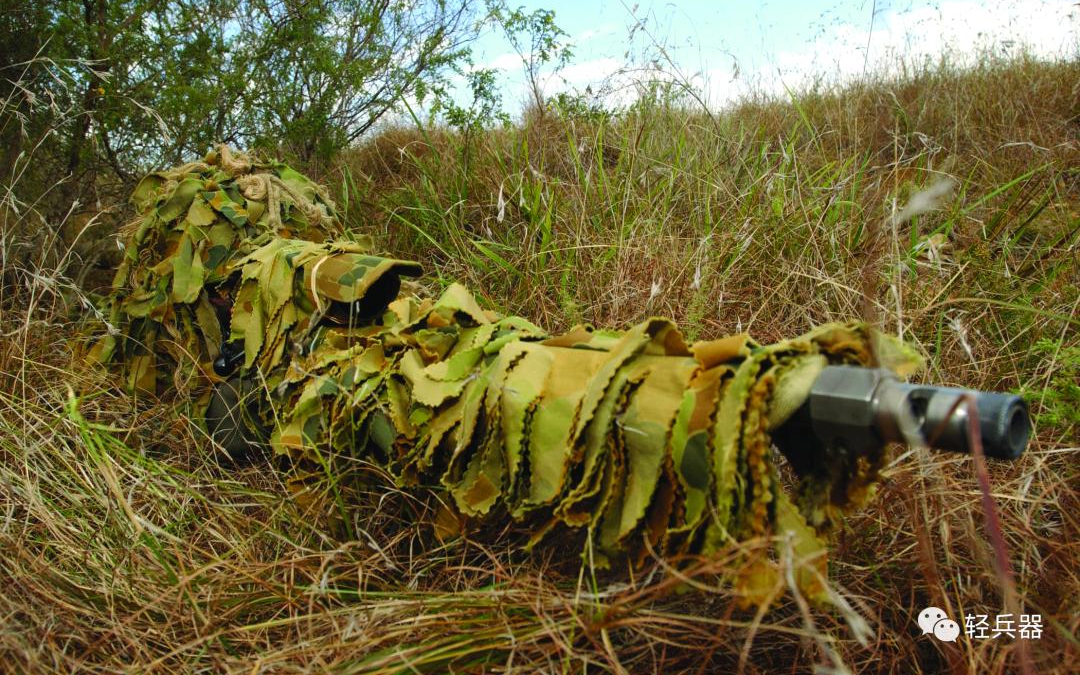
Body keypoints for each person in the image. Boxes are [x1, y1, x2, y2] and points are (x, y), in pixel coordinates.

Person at [89, 146, 931, 605]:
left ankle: (750, 400)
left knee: (488, 374)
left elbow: (428, 330)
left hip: (398, 339)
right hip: (334, 358)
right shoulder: (192, 311)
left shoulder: (286, 268)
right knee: (432, 393)